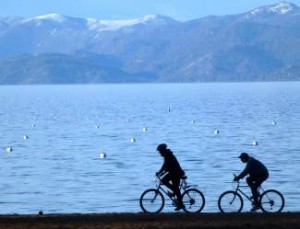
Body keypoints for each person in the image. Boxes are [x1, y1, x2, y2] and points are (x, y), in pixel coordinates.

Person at [156, 143, 185, 211]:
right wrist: (160, 172)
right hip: (173, 173)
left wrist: (160, 172)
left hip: (176, 173)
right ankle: (174, 193)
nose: (160, 153)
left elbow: (166, 166)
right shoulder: (167, 155)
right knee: (164, 181)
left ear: (163, 151)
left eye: (160, 152)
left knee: (176, 188)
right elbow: (165, 166)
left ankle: (181, 204)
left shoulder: (169, 156)